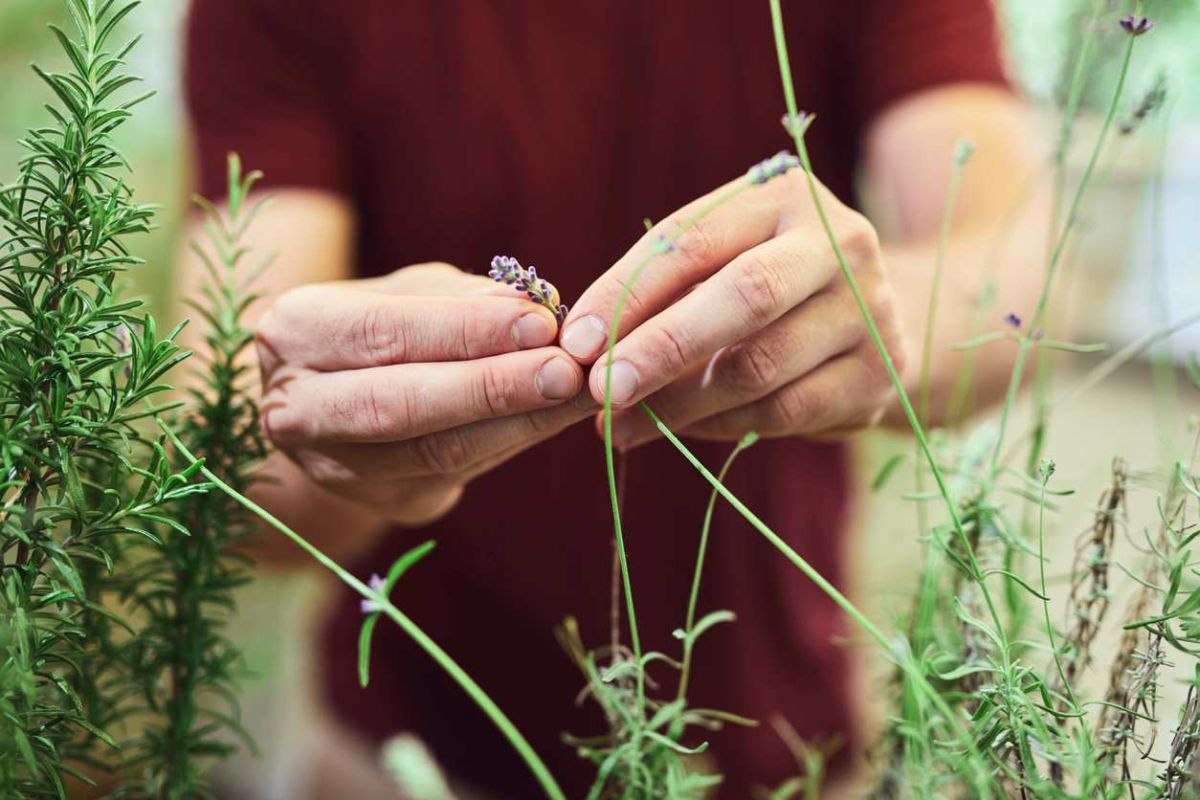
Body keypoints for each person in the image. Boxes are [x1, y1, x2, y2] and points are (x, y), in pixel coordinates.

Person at [183, 1, 1046, 796]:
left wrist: (880, 313)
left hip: (769, 749)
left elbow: (1019, 286)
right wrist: (336, 429)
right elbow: (234, 447)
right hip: (406, 756)